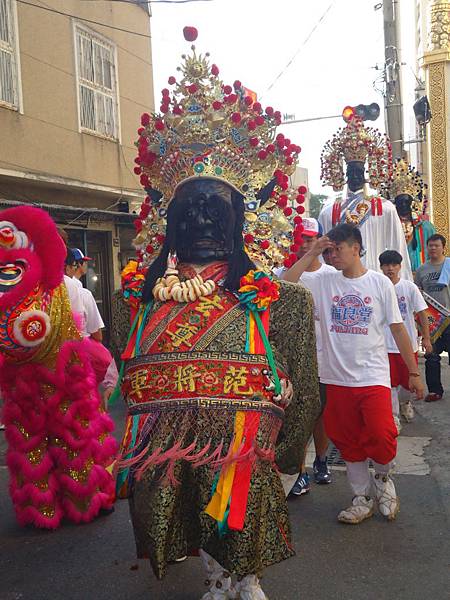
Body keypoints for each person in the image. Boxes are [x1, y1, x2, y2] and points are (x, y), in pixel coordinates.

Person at [113, 31, 320, 600]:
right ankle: (212, 575)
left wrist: (283, 459)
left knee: (240, 521)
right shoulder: (136, 303)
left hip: (244, 460)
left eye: (216, 205)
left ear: (241, 221)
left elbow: (301, 396)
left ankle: (245, 578)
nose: (203, 217)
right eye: (191, 206)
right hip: (169, 453)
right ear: (167, 221)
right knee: (184, 516)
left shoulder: (282, 303)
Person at [283, 223, 424, 524]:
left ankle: (384, 482)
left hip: (372, 376)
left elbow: (397, 328)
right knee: (347, 440)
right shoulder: (323, 282)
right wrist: (314, 252)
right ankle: (360, 498)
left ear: (356, 247)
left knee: (382, 434)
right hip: (335, 378)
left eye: (337, 249)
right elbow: (287, 283)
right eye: (329, 250)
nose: (333, 255)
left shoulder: (379, 283)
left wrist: (414, 371)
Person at [0, 207, 117, 528]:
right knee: (74, 437)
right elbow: (92, 333)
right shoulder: (70, 288)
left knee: (30, 443)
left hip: (21, 379)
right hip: (66, 374)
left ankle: (42, 509)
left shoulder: (9, 289)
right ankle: (84, 499)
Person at [319, 116, 412, 280]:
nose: (355, 176)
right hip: (339, 282)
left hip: (377, 279)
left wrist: (400, 285)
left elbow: (397, 246)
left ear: (366, 173)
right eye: (351, 172)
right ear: (344, 174)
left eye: (359, 172)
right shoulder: (328, 212)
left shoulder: (385, 209)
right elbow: (322, 254)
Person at [281, 217, 334, 496]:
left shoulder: (331, 274)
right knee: (297, 414)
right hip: (296, 356)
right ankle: (299, 470)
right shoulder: (285, 271)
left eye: (310, 239)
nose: (305, 243)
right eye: (301, 238)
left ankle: (322, 459)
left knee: (320, 412)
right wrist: (310, 255)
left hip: (325, 356)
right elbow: (285, 287)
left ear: (320, 239)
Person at [379, 250, 432, 428]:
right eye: (386, 265)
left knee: (408, 382)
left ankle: (405, 403)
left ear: (400, 267)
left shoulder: (409, 287)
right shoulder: (378, 287)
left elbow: (422, 314)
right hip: (385, 346)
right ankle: (393, 417)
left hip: (407, 345)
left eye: (394, 265)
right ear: (381, 267)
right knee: (390, 384)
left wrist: (426, 338)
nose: (390, 269)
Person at [415, 234, 450, 401]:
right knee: (431, 357)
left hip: (449, 317)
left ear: (443, 247)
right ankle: (435, 390)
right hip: (432, 320)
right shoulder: (422, 269)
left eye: (436, 245)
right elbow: (417, 293)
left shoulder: (449, 265)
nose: (433, 248)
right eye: (430, 246)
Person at [387, 158, 435, 272]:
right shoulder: (389, 227)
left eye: (406, 201)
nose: (403, 205)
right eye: (400, 201)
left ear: (412, 202)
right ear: (395, 203)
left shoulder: (425, 227)